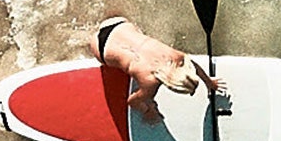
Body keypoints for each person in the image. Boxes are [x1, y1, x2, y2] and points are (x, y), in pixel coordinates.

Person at [90, 15, 223, 122]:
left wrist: (208, 82)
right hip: (100, 47)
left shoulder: (176, 56)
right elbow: (132, 101)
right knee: (118, 63)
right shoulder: (150, 83)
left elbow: (193, 65)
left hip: (118, 24)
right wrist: (148, 110)